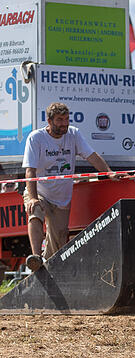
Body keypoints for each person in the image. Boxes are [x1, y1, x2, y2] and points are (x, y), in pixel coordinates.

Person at [22, 102, 113, 270]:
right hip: (40, 190)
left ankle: (43, 268)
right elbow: (30, 171)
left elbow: (92, 156)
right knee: (35, 210)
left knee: (58, 242)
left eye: (66, 119)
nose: (64, 123)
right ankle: (34, 257)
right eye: (59, 120)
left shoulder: (74, 134)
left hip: (62, 198)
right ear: (49, 121)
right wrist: (33, 197)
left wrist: (108, 172)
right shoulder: (36, 138)